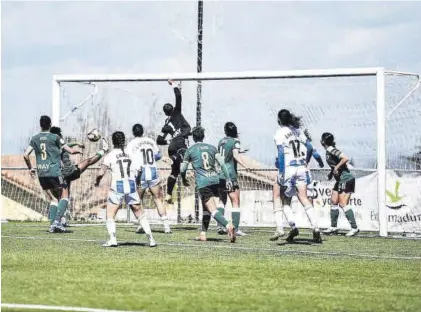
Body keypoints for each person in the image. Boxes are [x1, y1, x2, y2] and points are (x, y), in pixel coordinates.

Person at [95, 131, 156, 247]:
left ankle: (113, 240)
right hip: (131, 186)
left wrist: (97, 181)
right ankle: (151, 239)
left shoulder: (111, 155)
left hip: (117, 187)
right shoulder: (131, 154)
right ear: (124, 141)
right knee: (140, 213)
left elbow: (101, 172)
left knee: (110, 215)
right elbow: (140, 170)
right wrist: (137, 182)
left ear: (113, 141)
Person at [23, 115, 82, 233]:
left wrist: (30, 168)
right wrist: (78, 150)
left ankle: (53, 224)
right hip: (54, 172)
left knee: (54, 199)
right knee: (64, 196)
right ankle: (57, 223)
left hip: (42, 173)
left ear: (40, 125)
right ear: (50, 125)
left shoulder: (34, 138)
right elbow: (70, 150)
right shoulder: (55, 137)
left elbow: (26, 155)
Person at [273, 109, 322, 243]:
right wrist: (305, 161)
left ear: (279, 120)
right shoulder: (297, 131)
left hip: (288, 169)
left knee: (282, 198)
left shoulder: (280, 133)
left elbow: (281, 153)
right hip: (301, 168)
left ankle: (286, 227)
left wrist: (282, 172)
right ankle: (316, 228)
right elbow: (310, 148)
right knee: (304, 198)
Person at [180, 126, 236, 243]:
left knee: (212, 209)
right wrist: (228, 179)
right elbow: (222, 164)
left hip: (203, 183)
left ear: (193, 137)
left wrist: (183, 178)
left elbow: (182, 169)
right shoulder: (212, 148)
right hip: (215, 180)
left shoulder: (190, 150)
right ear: (203, 136)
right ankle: (203, 234)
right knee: (206, 208)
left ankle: (228, 225)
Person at [49, 126, 109, 226]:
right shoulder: (57, 142)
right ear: (58, 135)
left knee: (61, 197)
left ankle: (61, 220)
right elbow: (69, 149)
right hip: (69, 171)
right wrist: (76, 150)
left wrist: (76, 143)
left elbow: (65, 145)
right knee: (88, 161)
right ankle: (104, 150)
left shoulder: (52, 144)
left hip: (59, 174)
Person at [127, 123, 171, 234]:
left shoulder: (131, 144)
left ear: (133, 132)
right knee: (158, 198)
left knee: (137, 200)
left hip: (140, 172)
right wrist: (163, 157)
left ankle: (142, 225)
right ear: (143, 131)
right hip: (152, 170)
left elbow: (129, 159)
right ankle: (166, 226)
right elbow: (156, 155)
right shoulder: (150, 141)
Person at [156, 80, 192, 205]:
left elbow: (159, 140)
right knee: (185, 154)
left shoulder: (166, 125)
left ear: (165, 113)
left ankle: (168, 195)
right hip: (180, 144)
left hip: (171, 146)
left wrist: (169, 140)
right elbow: (179, 97)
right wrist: (174, 85)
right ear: (172, 109)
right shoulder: (177, 113)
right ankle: (174, 160)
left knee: (174, 172)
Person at [320, 132, 359, 237]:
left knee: (343, 204)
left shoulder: (332, 150)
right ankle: (333, 227)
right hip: (340, 180)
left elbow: (345, 158)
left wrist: (336, 168)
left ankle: (355, 228)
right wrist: (331, 173)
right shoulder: (329, 151)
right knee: (333, 201)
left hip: (346, 179)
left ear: (322, 142)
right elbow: (335, 165)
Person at [216, 122, 249, 236]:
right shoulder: (235, 141)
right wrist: (245, 166)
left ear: (225, 131)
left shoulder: (221, 142)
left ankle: (220, 226)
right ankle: (235, 228)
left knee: (221, 200)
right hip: (230, 174)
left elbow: (224, 154)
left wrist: (240, 151)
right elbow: (235, 155)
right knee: (235, 201)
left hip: (220, 174)